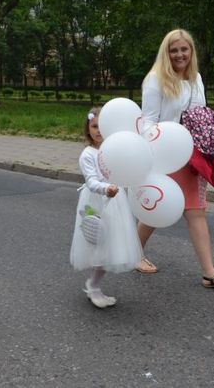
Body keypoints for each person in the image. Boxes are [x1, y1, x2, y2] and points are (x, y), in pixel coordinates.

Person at [136, 28, 214, 288]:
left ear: (191, 51)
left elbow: (199, 113)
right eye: (174, 50)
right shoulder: (155, 79)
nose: (179, 54)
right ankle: (133, 253)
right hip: (165, 154)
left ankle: (209, 273)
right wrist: (153, 148)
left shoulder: (196, 79)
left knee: (196, 212)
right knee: (156, 208)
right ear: (166, 53)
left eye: (184, 49)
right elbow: (148, 120)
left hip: (193, 156)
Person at [70, 107, 142, 308]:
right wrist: (106, 188)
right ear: (88, 128)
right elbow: (92, 181)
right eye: (94, 126)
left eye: (102, 126)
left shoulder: (113, 149)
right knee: (99, 246)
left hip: (115, 202)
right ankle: (93, 286)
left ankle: (95, 283)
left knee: (111, 246)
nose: (98, 130)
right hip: (97, 202)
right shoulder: (88, 154)